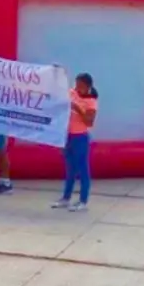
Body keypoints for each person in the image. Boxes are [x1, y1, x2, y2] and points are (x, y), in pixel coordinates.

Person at [53, 72, 99, 213]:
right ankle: (66, 198)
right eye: (76, 84)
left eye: (81, 85)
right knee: (70, 169)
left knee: (83, 170)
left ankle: (83, 201)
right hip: (68, 136)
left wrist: (78, 108)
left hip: (80, 137)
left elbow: (89, 122)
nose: (77, 87)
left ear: (88, 86)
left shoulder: (91, 101)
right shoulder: (71, 93)